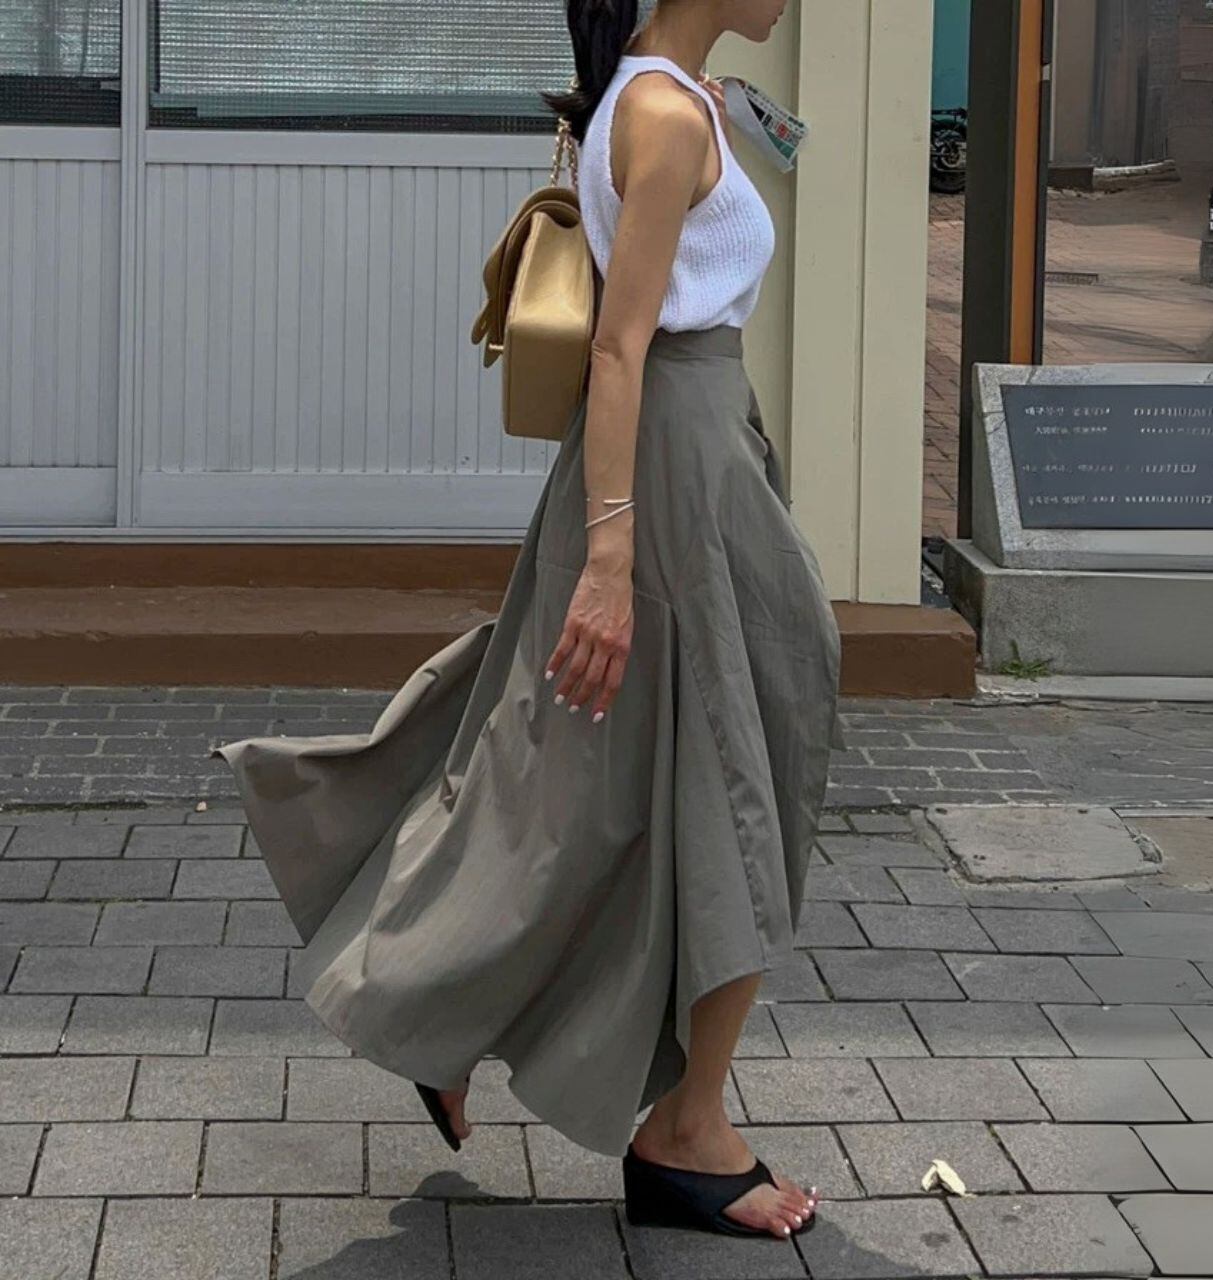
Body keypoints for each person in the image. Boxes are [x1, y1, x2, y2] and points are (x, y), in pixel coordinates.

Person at [212, 0, 842, 1242]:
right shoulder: (662, 112)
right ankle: (680, 1128)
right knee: (736, 762)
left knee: (583, 770)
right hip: (667, 469)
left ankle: (451, 1015)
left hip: (690, 457)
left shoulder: (669, 96)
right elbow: (617, 347)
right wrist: (609, 557)